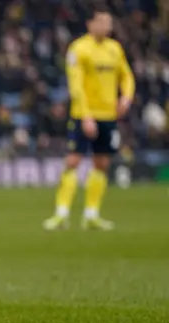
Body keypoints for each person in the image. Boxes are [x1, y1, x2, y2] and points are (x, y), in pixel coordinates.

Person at [43, 3, 134, 231]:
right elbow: (76, 87)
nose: (106, 26)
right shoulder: (79, 49)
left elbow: (127, 76)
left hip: (108, 116)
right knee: (73, 160)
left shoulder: (115, 49)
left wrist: (126, 98)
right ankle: (61, 213)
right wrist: (85, 116)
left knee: (101, 163)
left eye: (109, 22)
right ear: (90, 24)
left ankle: (91, 214)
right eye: (101, 22)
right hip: (84, 115)